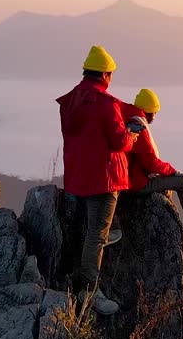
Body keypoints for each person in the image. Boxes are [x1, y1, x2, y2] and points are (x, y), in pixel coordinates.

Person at [56, 45, 140, 315]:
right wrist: (132, 135)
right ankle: (90, 291)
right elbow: (119, 141)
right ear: (105, 74)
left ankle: (81, 274)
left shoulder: (71, 100)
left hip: (77, 177)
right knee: (96, 236)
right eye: (111, 74)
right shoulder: (106, 104)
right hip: (104, 179)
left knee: (89, 231)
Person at [122, 88, 183, 242]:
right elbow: (151, 163)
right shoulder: (138, 126)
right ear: (149, 112)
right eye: (154, 113)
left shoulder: (128, 119)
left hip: (129, 179)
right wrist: (172, 171)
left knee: (167, 188)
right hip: (137, 183)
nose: (154, 117)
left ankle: (170, 217)